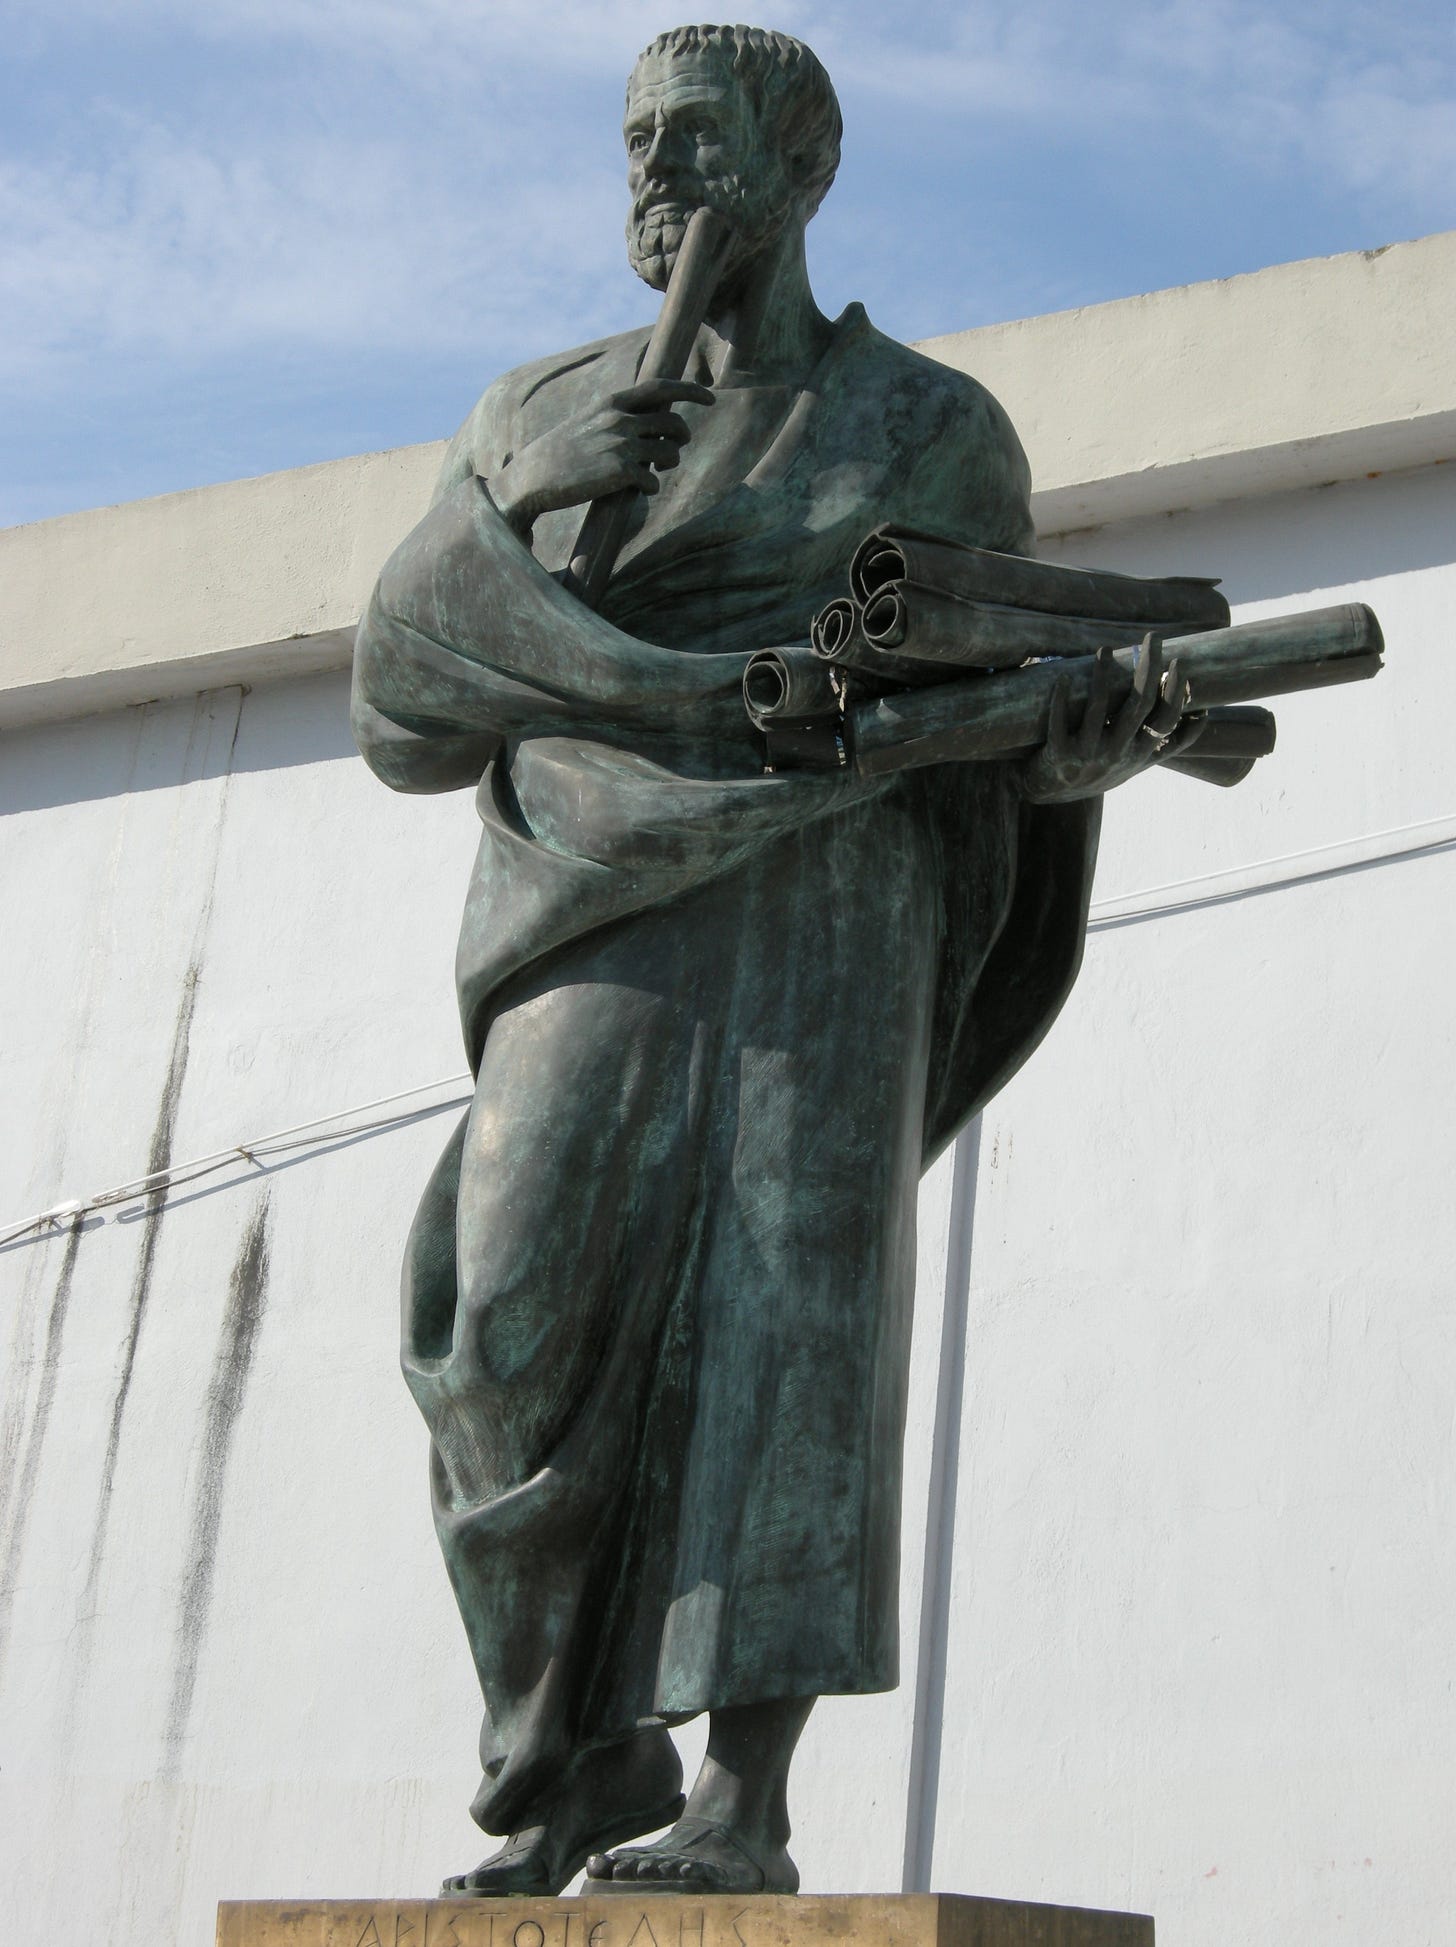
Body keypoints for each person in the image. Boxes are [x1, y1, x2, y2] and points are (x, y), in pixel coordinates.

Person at [351, 22, 1187, 1899]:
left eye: (695, 137)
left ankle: (744, 1796)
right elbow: (401, 710)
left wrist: (1063, 766)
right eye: (636, 142)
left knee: (792, 1307)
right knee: (502, 1324)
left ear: (805, 169)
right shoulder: (533, 412)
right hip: (590, 897)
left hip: (837, 888)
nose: (657, 176)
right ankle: (568, 1755)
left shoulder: (931, 429)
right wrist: (527, 504)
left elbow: (990, 687)